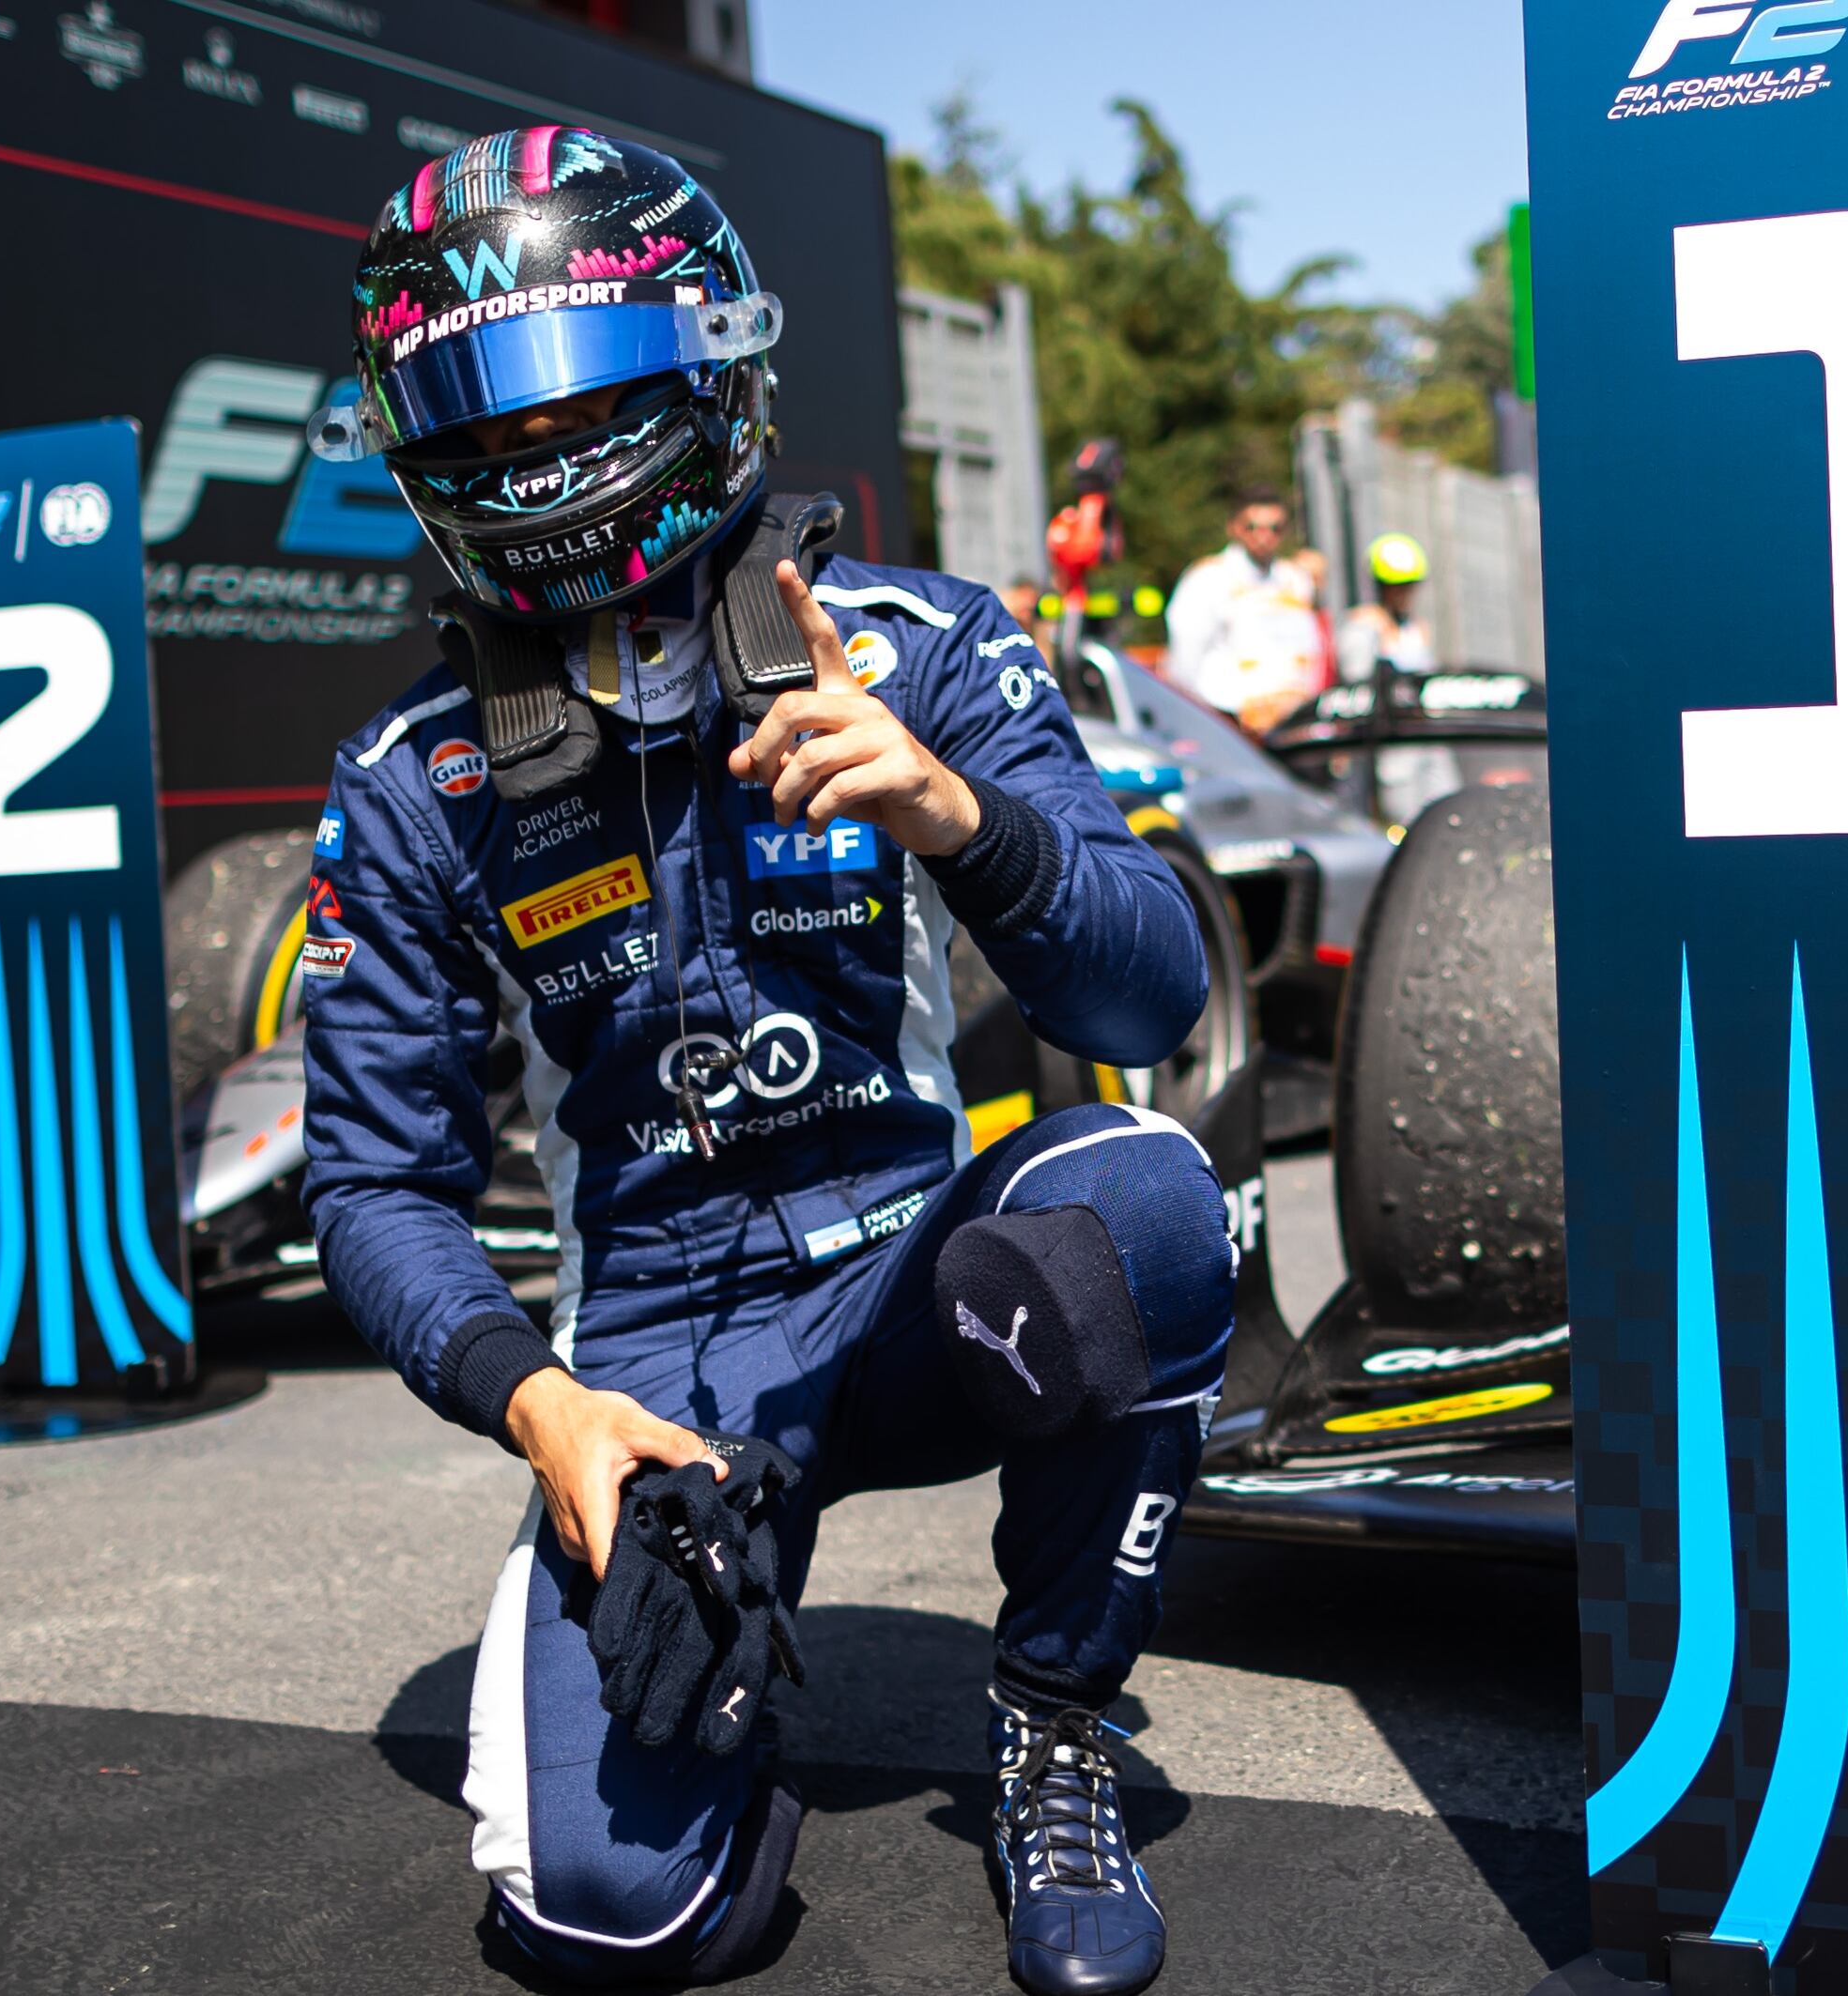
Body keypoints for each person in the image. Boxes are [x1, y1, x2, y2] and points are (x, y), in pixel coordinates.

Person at [296, 127, 1226, 1995]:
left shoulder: (924, 642)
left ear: (703, 367)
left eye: (574, 412)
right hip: (655, 1375)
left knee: (1147, 1198)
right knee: (602, 1914)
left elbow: (1150, 1003)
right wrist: (539, 1408)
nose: (532, 465)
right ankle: (718, 1733)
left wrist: (970, 821)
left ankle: (1052, 1712)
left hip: (912, 1289)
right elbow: (375, 1185)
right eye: (477, 432)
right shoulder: (411, 782)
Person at [1162, 490, 1326, 735]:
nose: (1264, 537)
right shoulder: (1208, 578)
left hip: (1292, 723)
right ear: (1234, 528)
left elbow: (1308, 652)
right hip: (1232, 727)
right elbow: (1186, 660)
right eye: (1252, 527)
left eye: (1274, 528)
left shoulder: (1295, 580)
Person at [1332, 530, 1436, 684]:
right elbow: (1355, 681)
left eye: (1410, 586)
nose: (1405, 594)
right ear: (1380, 585)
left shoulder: (1416, 629)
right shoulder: (1361, 627)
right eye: (1397, 587)